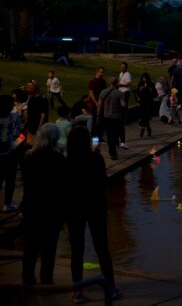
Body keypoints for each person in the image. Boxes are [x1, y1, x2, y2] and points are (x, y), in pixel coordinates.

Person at [66, 126, 120, 303]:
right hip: (95, 205)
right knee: (102, 247)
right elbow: (104, 181)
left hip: (75, 207)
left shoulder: (68, 160)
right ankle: (110, 285)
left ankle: (77, 289)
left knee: (77, 249)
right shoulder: (95, 158)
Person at [21, 123, 69, 285]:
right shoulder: (59, 158)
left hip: (32, 205)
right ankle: (46, 277)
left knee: (30, 245)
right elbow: (63, 185)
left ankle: (27, 276)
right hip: (52, 207)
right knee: (50, 246)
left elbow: (26, 180)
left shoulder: (29, 156)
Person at [0, 94, 23, 212]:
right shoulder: (14, 117)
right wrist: (16, 145)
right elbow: (19, 135)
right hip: (9, 153)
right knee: (10, 179)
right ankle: (7, 203)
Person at [97, 77, 126, 160]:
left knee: (110, 134)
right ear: (117, 83)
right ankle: (114, 149)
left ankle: (112, 152)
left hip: (107, 117)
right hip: (116, 117)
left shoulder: (103, 92)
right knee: (115, 134)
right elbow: (123, 105)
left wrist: (98, 116)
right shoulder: (119, 93)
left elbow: (99, 106)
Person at [24, 80, 49, 144]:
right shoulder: (31, 98)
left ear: (34, 88)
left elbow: (43, 115)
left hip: (37, 129)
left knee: (35, 146)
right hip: (29, 128)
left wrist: (39, 129)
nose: (26, 89)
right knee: (28, 145)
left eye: (28, 88)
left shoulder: (42, 99)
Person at [88, 66, 107, 138]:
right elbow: (91, 93)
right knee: (95, 120)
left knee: (101, 120)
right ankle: (94, 137)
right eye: (102, 72)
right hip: (95, 104)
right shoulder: (92, 81)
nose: (103, 74)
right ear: (97, 72)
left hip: (102, 103)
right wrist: (96, 103)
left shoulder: (103, 81)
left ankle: (100, 136)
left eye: (103, 72)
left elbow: (105, 92)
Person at [136, 72, 156, 137]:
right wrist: (140, 90)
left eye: (145, 78)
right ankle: (149, 130)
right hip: (142, 103)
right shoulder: (140, 84)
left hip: (149, 103)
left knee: (145, 117)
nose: (144, 80)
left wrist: (151, 91)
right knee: (145, 117)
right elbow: (138, 93)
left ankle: (142, 131)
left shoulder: (151, 84)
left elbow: (155, 94)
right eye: (143, 78)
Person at [117, 62, 132, 149]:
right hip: (120, 92)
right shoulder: (120, 74)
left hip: (125, 92)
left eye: (123, 67)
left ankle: (124, 119)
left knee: (124, 107)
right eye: (121, 66)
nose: (122, 68)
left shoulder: (127, 74)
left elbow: (129, 83)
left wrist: (121, 85)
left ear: (126, 67)